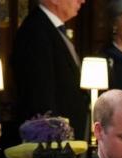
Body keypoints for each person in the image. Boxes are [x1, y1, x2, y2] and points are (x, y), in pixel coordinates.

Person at [11, 0, 89, 139]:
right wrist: (55, 137)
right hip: (52, 141)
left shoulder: (52, 27)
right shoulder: (36, 31)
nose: (82, 1)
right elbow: (40, 94)